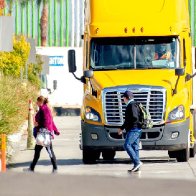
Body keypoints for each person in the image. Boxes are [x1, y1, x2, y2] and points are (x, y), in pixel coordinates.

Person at [27, 96, 60, 173]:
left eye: (37, 101)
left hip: (43, 134)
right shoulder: (46, 109)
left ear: (40, 102)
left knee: (42, 151)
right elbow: (51, 122)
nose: (36, 103)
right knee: (47, 151)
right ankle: (54, 168)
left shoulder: (43, 109)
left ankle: (32, 168)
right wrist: (55, 130)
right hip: (46, 133)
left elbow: (45, 121)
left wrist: (37, 125)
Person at [118, 90, 142, 172]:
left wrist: (122, 128)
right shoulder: (135, 104)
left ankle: (137, 162)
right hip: (137, 129)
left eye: (123, 98)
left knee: (127, 145)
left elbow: (133, 118)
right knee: (135, 147)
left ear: (126, 98)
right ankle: (136, 166)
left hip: (134, 129)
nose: (123, 100)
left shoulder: (131, 105)